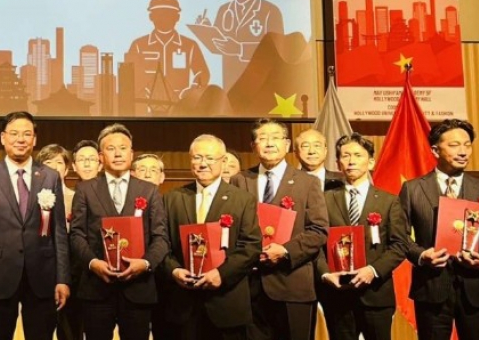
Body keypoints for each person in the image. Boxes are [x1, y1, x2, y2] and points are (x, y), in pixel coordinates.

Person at [398, 119, 479, 340]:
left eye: (467, 145)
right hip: (431, 287)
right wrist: (422, 255)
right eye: (455, 145)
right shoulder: (412, 189)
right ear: (435, 150)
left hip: (476, 287)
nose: (463, 152)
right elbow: (399, 236)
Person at [0, 112, 71, 340]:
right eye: (14, 133)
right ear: (3, 138)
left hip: (42, 276)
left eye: (27, 134)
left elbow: (59, 233)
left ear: (34, 139)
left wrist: (62, 278)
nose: (20, 139)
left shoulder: (50, 177)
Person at [230, 118, 328, 340]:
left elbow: (318, 230)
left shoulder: (307, 182)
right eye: (262, 138)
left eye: (275, 138)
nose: (269, 143)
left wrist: (285, 251)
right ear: (253, 146)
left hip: (292, 284)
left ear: (287, 144)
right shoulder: (239, 180)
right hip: (249, 286)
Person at [70, 124, 169, 340]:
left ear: (131, 154)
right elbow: (76, 234)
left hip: (138, 288)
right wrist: (93, 263)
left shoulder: (149, 190)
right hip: (96, 288)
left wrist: (145, 263)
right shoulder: (86, 189)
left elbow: (161, 238)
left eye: (123, 148)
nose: (117, 154)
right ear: (100, 156)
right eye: (111, 148)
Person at [163, 135, 260, 340]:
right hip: (183, 304)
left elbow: (251, 246)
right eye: (197, 157)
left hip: (227, 302)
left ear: (223, 161)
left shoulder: (243, 199)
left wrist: (221, 274)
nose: (203, 163)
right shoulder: (172, 198)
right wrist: (174, 270)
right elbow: (162, 242)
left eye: (209, 158)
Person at [316, 133, 405, 340]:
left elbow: (399, 245)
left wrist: (373, 271)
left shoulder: (388, 201)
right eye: (345, 156)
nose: (351, 161)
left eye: (358, 155)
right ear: (338, 163)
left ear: (371, 161)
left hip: (376, 293)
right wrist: (325, 273)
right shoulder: (323, 199)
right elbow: (316, 242)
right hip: (337, 293)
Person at [200, 0, 284, 89]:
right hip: (230, 85)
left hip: (260, 87)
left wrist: (240, 49)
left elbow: (277, 52)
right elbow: (218, 46)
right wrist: (207, 30)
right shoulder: (224, 10)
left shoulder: (270, 11)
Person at [125, 0, 209, 112]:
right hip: (145, 111)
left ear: (177, 17)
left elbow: (203, 73)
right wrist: (144, 93)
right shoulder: (138, 45)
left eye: (169, 13)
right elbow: (128, 78)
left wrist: (191, 91)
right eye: (159, 13)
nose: (164, 18)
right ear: (151, 17)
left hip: (180, 109)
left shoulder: (190, 46)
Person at [36, 144, 81, 340]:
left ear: (67, 168)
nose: (54, 167)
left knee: (70, 330)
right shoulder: (31, 198)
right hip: (41, 270)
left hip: (72, 271)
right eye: (48, 162)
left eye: (59, 163)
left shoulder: (78, 197)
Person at [130, 152, 172, 340]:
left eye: (153, 170)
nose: (147, 174)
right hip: (135, 280)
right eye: (142, 169)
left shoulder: (172, 202)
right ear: (132, 174)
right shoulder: (123, 205)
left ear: (162, 177)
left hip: (167, 280)